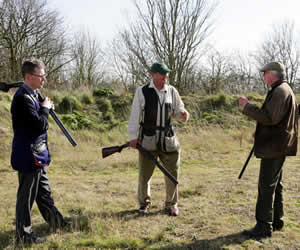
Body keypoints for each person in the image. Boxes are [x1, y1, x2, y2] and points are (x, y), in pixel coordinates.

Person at [11, 59, 70, 244]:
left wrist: (43, 105)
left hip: (38, 154)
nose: (44, 79)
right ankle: (24, 235)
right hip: (28, 156)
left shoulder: (33, 94)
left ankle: (57, 223)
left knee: (43, 193)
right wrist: (45, 109)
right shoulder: (22, 98)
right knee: (26, 198)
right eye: (41, 76)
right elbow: (39, 125)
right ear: (29, 77)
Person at [238, 61, 298, 238]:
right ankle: (277, 221)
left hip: (274, 146)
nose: (263, 76)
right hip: (279, 144)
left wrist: (246, 106)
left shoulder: (280, 91)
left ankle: (263, 227)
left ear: (273, 74)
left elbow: (270, 117)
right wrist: (260, 130)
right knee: (275, 184)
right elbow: (276, 119)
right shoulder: (284, 89)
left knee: (266, 185)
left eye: (265, 73)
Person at [128, 62, 189, 216]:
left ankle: (172, 204)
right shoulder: (141, 91)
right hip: (148, 140)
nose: (165, 79)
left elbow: (178, 110)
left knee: (172, 174)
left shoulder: (172, 91)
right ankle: (144, 204)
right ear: (154, 75)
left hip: (168, 140)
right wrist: (133, 137)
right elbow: (135, 116)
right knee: (144, 175)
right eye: (162, 76)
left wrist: (183, 114)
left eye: (166, 76)